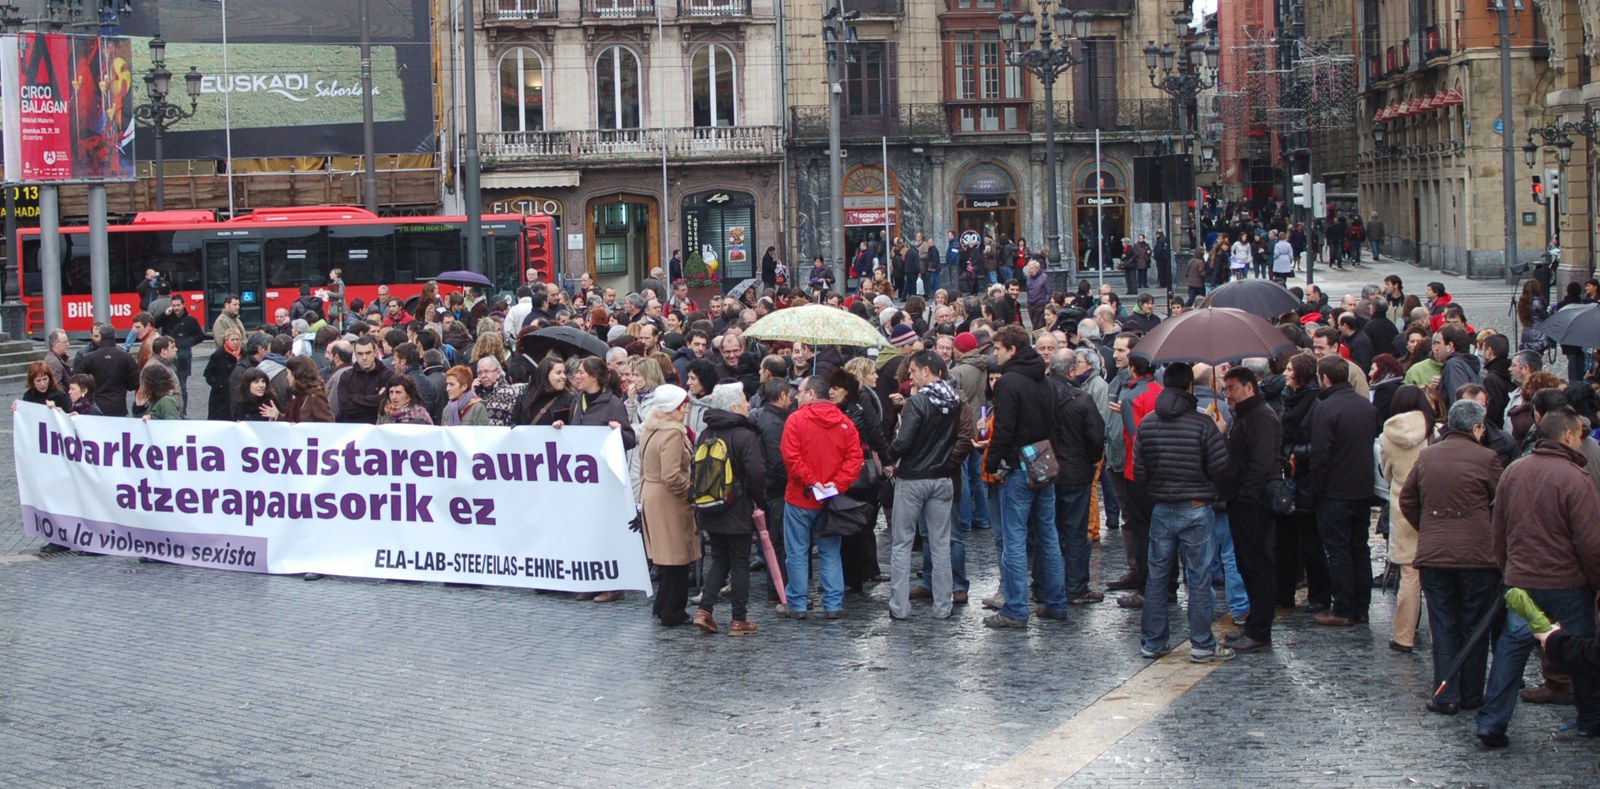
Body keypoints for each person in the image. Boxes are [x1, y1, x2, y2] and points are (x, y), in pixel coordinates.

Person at [1476, 407, 1600, 747]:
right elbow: (1590, 541)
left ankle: (1492, 721)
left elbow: (1498, 529)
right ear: (1569, 436)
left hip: (1522, 579)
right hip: (1568, 583)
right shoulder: (1577, 478)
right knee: (1582, 650)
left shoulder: (1514, 471)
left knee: (1511, 648)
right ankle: (1590, 718)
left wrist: (1507, 568)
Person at [1398, 400, 1501, 715]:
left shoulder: (1428, 456)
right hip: (1477, 556)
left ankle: (1445, 694)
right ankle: (1470, 693)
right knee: (1475, 625)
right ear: (1477, 427)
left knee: (1442, 624)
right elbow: (1502, 503)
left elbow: (1408, 499)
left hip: (1435, 554)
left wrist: (1428, 527)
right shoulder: (1487, 458)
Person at [1134, 362, 1233, 661]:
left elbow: (1140, 472)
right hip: (1196, 506)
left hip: (1163, 506)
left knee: (1157, 576)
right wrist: (1221, 433)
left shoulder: (1149, 423)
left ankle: (1152, 641)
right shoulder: (1203, 423)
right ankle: (1202, 643)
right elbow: (1219, 468)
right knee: (1199, 576)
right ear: (1190, 386)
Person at [984, 324, 1067, 628]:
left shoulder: (1009, 383)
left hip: (1019, 464)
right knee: (1048, 536)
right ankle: (1056, 601)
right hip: (1043, 460)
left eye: (999, 348)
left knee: (1015, 540)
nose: (995, 352)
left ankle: (1016, 609)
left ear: (1012, 350)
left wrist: (991, 463)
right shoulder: (1042, 380)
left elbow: (1004, 429)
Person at [886, 351, 971, 621]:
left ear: (926, 370)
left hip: (913, 478)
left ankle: (899, 607)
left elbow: (904, 442)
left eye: (912, 370)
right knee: (941, 543)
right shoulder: (954, 400)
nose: (910, 375)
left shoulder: (918, 402)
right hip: (942, 477)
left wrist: (890, 453)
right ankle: (943, 606)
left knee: (902, 543)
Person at [778, 375, 864, 620]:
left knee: (796, 552)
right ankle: (833, 603)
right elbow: (854, 459)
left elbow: (791, 457)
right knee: (830, 552)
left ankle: (797, 603)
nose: (797, 396)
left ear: (812, 394)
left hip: (800, 497)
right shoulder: (845, 423)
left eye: (801, 391)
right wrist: (835, 485)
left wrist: (812, 482)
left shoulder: (795, 420)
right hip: (831, 501)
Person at [1306, 354, 1379, 627]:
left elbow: (1321, 455)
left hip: (1335, 490)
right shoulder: (1365, 406)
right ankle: (1361, 606)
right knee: (1359, 548)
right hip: (1361, 488)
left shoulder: (1326, 408)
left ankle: (1344, 607)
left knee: (1338, 551)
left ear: (1325, 378)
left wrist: (1316, 490)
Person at [692, 384, 767, 636]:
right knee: (739, 563)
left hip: (710, 507)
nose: (748, 404)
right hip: (737, 507)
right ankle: (738, 620)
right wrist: (760, 501)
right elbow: (756, 473)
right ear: (734, 407)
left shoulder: (705, 433)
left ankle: (704, 610)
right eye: (745, 400)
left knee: (719, 560)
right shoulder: (743, 435)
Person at [1218, 366, 1284, 653]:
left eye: (1232, 388)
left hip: (1253, 503)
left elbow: (1261, 462)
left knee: (1258, 565)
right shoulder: (1246, 416)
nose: (1227, 394)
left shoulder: (1260, 416)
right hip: (1241, 500)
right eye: (1225, 389)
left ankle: (1260, 630)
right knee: (1246, 563)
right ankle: (1255, 622)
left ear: (1249, 387)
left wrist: (1246, 495)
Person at [634, 384, 698, 626]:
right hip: (668, 499)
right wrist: (689, 493)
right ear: (676, 409)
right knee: (677, 557)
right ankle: (673, 611)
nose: (686, 410)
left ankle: (663, 606)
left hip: (653, 494)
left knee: (667, 557)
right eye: (684, 405)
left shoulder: (652, 428)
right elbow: (671, 474)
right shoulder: (672, 433)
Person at [1047, 348, 1106, 606]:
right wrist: (1090, 460)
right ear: (1071, 371)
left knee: (1049, 531)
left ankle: (1049, 585)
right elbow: (1096, 437)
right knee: (1075, 532)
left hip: (1047, 470)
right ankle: (1076, 587)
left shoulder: (1042, 395)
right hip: (1076, 471)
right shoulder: (1082, 399)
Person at [1378, 385, 1433, 653]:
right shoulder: (1434, 429)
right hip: (1432, 505)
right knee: (1436, 577)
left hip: (1402, 506)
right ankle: (1440, 637)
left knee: (1409, 575)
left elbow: (1387, 473)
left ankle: (1403, 636)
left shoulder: (1388, 434)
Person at [72, 323, 139, 417]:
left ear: (100, 336)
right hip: (118, 406)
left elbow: (76, 378)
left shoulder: (90, 358)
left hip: (96, 405)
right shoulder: (125, 357)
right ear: (115, 336)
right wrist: (125, 385)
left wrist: (88, 392)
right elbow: (136, 381)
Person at [336, 336, 399, 424]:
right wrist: (376, 400)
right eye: (360, 354)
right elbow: (345, 407)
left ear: (375, 352)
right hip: (352, 429)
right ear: (355, 355)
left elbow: (387, 404)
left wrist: (356, 398)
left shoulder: (388, 376)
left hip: (378, 428)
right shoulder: (346, 376)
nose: (364, 357)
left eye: (368, 353)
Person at [514, 358, 573, 426]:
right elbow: (513, 422)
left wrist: (562, 426)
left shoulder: (569, 400)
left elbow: (573, 427)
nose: (564, 376)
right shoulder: (525, 394)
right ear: (546, 374)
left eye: (564, 373)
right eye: (558, 373)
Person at [281, 356, 333, 423]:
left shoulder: (315, 397)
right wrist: (277, 416)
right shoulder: (298, 395)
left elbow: (327, 423)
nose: (287, 376)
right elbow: (290, 422)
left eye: (288, 372)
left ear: (296, 374)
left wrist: (305, 428)